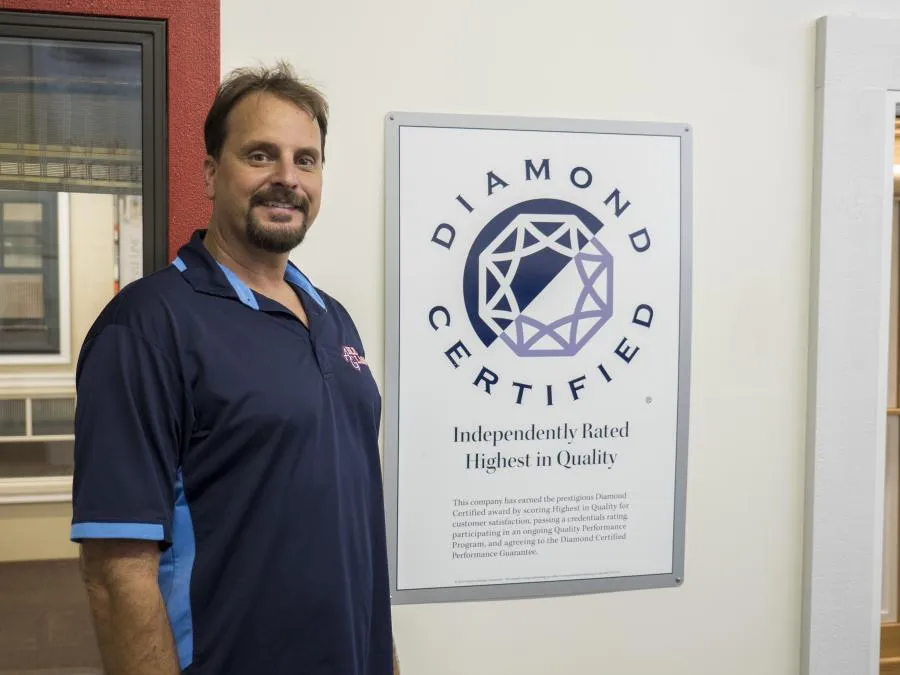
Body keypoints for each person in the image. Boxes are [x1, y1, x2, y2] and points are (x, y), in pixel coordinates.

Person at [70, 62, 399, 675]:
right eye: (260, 155)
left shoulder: (335, 322)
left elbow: (354, 533)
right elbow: (116, 569)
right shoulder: (147, 326)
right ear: (211, 172)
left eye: (306, 160)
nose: (286, 179)